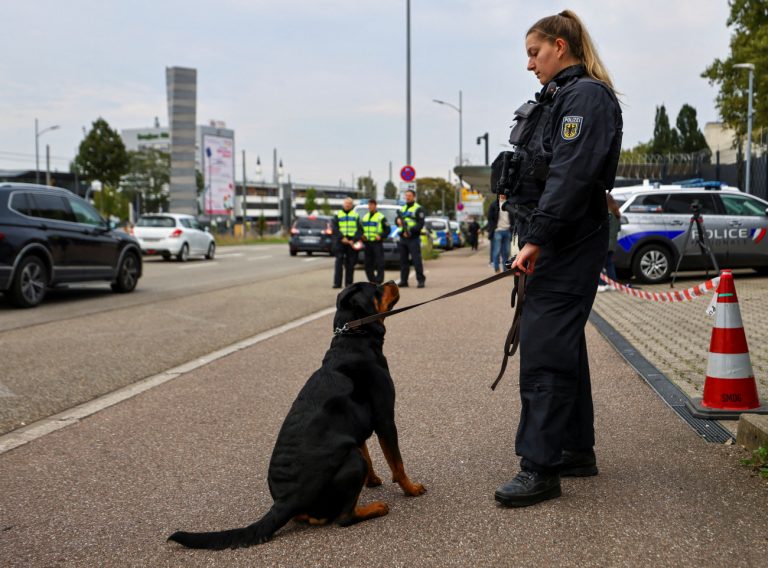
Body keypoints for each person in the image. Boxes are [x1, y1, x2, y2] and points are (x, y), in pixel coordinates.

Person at [493, 10, 623, 508]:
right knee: (560, 343)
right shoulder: (559, 98)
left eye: (534, 52)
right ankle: (574, 448)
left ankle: (540, 469)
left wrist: (536, 239)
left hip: (567, 241)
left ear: (560, 47)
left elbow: (570, 175)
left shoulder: (585, 97)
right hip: (556, 239)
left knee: (545, 351)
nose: (530, 65)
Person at [396, 188, 426, 288]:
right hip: (403, 238)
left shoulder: (418, 208)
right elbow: (397, 220)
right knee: (403, 261)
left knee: (416, 260)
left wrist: (410, 231)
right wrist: (398, 221)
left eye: (409, 196)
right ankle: (404, 281)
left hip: (413, 238)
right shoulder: (402, 208)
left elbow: (420, 224)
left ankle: (420, 281)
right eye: (406, 195)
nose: (407, 197)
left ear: (414, 197)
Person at [331, 197, 362, 289]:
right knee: (339, 262)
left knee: (350, 263)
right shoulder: (338, 215)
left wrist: (354, 239)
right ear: (343, 204)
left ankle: (349, 283)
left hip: (351, 241)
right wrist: (342, 237)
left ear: (352, 205)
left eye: (349, 203)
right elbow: (335, 228)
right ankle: (337, 283)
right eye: (346, 203)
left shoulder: (355, 215)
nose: (348, 205)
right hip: (341, 241)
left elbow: (360, 230)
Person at [361, 198, 390, 284]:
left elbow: (387, 230)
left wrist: (381, 236)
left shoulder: (381, 217)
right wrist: (362, 236)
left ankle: (379, 281)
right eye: (369, 205)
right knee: (367, 264)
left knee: (379, 263)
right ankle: (372, 280)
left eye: (371, 205)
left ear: (375, 206)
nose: (370, 207)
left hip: (377, 243)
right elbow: (361, 229)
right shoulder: (365, 217)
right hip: (367, 243)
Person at [597, 193, 621, 292]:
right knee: (609, 264)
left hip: (604, 243)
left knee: (599, 265)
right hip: (612, 244)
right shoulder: (616, 213)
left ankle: (602, 284)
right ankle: (613, 284)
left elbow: (601, 228)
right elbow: (618, 229)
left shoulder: (607, 214)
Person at [487, 197, 514, 273]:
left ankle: (505, 270)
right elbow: (490, 218)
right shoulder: (493, 205)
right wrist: (493, 228)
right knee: (497, 251)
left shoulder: (510, 204)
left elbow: (513, 217)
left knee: (506, 252)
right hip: (497, 231)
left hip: (507, 230)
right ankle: (497, 269)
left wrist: (512, 227)